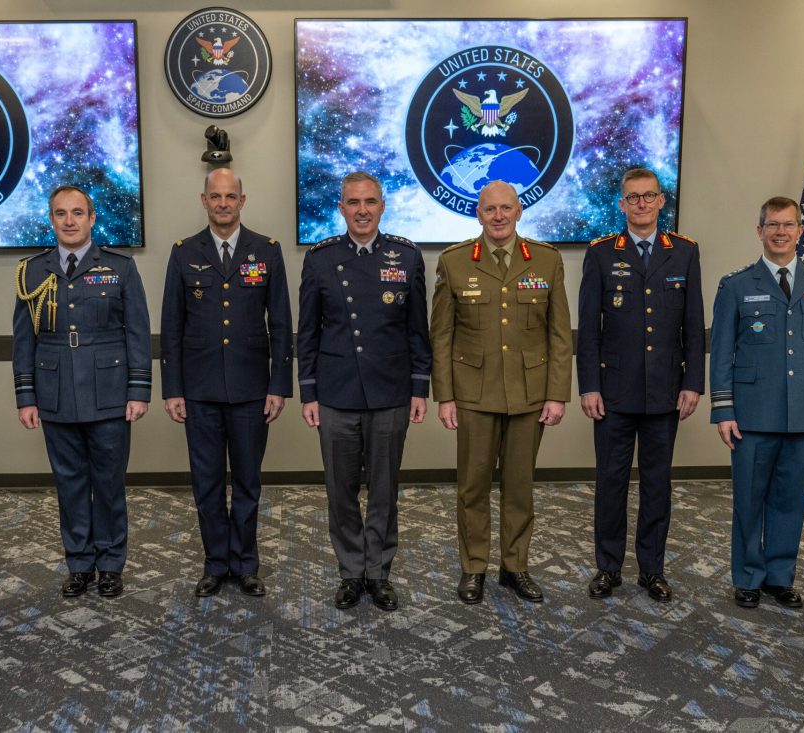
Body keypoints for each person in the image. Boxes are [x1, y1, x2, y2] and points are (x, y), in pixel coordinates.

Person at [431, 180, 572, 605]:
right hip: (473, 393)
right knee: (471, 487)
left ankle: (515, 566)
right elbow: (441, 334)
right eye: (490, 209)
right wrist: (446, 396)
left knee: (519, 487)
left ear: (519, 211)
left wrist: (557, 394)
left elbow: (559, 333)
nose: (498, 215)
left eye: (506, 208)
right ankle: (474, 567)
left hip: (529, 394)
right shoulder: (455, 262)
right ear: (478, 213)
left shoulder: (545, 260)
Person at [297, 171, 431, 611]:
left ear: (382, 206)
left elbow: (417, 331)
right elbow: (308, 333)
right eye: (353, 202)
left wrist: (418, 387)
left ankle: (379, 572)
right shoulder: (320, 259)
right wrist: (309, 392)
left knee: (384, 490)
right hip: (336, 394)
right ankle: (351, 571)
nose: (362, 210)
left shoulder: (406, 257)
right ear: (341, 208)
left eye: (370, 202)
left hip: (390, 392)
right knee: (340, 491)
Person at [12, 185, 151, 599]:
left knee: (109, 483)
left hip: (109, 391)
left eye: (77, 213)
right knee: (69, 483)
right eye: (60, 213)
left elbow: (138, 333)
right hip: (55, 392)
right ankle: (79, 563)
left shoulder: (119, 268)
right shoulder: (31, 272)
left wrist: (138, 390)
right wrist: (26, 396)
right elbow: (24, 340)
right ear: (51, 219)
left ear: (92, 219)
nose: (69, 221)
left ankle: (110, 563)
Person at [160, 168, 292, 598]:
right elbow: (172, 327)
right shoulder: (183, 253)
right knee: (208, 483)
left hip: (253, 390)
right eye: (215, 196)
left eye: (229, 196)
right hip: (198, 392)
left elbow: (282, 326)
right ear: (204, 200)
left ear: (242, 200)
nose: (222, 203)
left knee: (249, 483)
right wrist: (173, 389)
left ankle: (247, 564)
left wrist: (278, 387)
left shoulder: (267, 251)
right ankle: (216, 564)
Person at [577, 168, 705, 603]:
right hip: (613, 393)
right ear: (622, 204)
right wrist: (589, 386)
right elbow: (588, 329)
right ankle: (608, 568)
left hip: (666, 393)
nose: (642, 204)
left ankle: (652, 570)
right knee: (610, 483)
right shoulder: (600, 254)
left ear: (661, 201)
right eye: (633, 198)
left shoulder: (684, 252)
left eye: (649, 196)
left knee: (657, 485)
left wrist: (693, 384)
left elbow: (693, 326)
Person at [710, 196, 804, 609]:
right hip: (752, 413)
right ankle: (749, 576)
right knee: (749, 501)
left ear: (801, 231)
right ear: (759, 231)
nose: (781, 232)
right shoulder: (735, 285)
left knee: (789, 500)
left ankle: (780, 577)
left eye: (788, 225)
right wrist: (724, 410)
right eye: (772, 225)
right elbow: (721, 352)